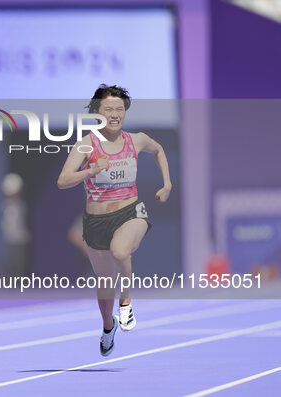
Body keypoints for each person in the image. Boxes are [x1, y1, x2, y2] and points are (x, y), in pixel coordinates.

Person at [57, 84, 171, 356]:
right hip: (96, 221)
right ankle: (108, 327)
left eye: (119, 109)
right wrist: (91, 170)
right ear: (97, 112)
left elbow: (159, 150)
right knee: (105, 281)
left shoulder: (137, 139)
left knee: (121, 250)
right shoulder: (87, 143)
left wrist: (167, 184)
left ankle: (127, 302)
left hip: (130, 212)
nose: (115, 114)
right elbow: (62, 181)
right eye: (108, 109)